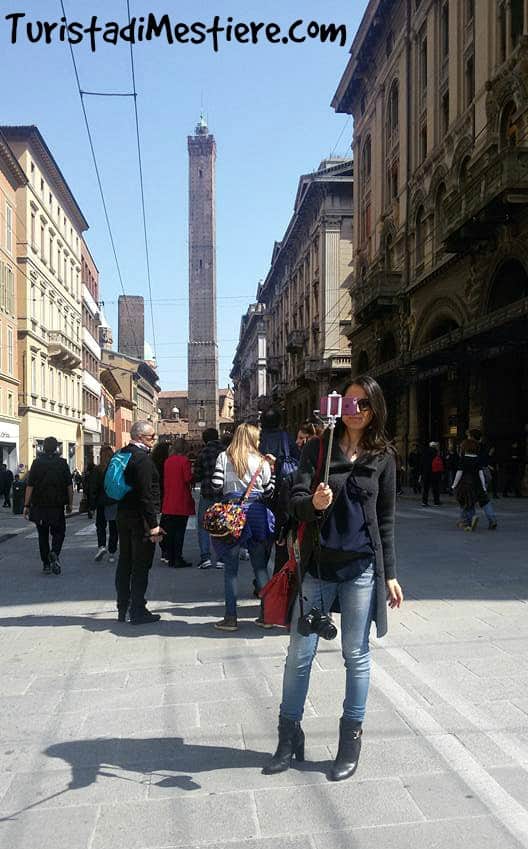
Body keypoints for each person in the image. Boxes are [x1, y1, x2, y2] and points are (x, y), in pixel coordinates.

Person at [263, 375, 403, 781]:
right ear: (338, 407)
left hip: (360, 568)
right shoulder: (318, 448)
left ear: (374, 410)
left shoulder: (384, 457)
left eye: (363, 404)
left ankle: (350, 740)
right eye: (350, 402)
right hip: (318, 568)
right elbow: (295, 502)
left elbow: (387, 521)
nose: (355, 410)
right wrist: (313, 502)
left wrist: (390, 574)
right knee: (299, 654)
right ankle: (289, 737)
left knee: (355, 655)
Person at [211, 422, 276, 631]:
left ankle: (230, 618)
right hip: (256, 513)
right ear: (251, 439)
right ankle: (266, 615)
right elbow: (268, 492)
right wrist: (272, 473)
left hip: (231, 512)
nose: (259, 441)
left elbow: (215, 485)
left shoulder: (224, 457)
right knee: (259, 566)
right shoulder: (262, 460)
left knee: (230, 570)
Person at [115, 421, 163, 624]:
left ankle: (122, 607)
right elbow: (145, 495)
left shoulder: (122, 454)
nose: (154, 440)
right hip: (140, 519)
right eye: (152, 436)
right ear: (141, 437)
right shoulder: (142, 459)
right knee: (141, 565)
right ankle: (137, 610)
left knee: (124, 562)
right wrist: (154, 525)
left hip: (122, 515)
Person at [22, 437, 73, 574]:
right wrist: (70, 503)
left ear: (43, 448)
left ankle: (46, 564)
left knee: (42, 535)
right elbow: (69, 485)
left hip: (39, 506)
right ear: (57, 448)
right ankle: (55, 552)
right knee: (59, 532)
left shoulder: (36, 463)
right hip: (56, 506)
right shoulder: (62, 463)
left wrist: (26, 505)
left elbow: (30, 486)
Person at [161, 439, 195, 568]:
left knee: (170, 531)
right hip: (181, 499)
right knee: (180, 532)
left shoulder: (168, 461)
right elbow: (187, 478)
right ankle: (178, 558)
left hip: (169, 500)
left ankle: (170, 557)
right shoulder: (184, 461)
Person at [193, 427, 224, 569]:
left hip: (207, 492)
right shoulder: (226, 451)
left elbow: (197, 475)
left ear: (205, 440)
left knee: (203, 525)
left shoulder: (203, 453)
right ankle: (221, 557)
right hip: (223, 493)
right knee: (222, 524)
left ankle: (205, 557)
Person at [452, 437, 498, 531]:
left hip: (466, 484)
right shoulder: (478, 459)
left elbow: (459, 473)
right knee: (485, 502)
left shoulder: (463, 459)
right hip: (478, 483)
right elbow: (481, 473)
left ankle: (470, 521)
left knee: (469, 502)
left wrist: (454, 484)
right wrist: (484, 486)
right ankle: (492, 519)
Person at [88, 444, 118, 563]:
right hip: (114, 501)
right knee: (113, 528)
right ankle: (112, 552)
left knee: (100, 526)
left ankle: (101, 546)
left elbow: (93, 489)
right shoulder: (116, 469)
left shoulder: (97, 470)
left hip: (101, 502)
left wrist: (92, 505)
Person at [151, 441, 171, 563]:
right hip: (167, 495)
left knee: (160, 523)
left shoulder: (152, 463)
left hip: (156, 496)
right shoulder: (168, 463)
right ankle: (166, 550)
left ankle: (163, 549)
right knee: (167, 522)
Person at [421, 441, 442, 506]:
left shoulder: (424, 452)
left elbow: (421, 463)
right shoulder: (436, 452)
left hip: (426, 472)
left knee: (425, 488)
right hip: (434, 472)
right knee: (435, 488)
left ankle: (424, 502)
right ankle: (436, 502)